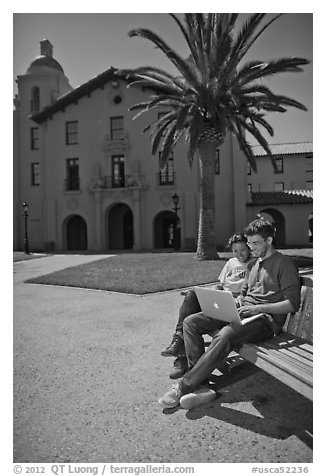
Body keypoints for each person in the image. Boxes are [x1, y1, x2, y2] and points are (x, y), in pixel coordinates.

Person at [159, 218, 301, 409]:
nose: (251, 247)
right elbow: (245, 292)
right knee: (191, 322)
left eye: (256, 243)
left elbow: (292, 304)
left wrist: (258, 308)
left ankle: (183, 386)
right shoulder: (253, 265)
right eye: (250, 243)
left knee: (225, 335)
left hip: (265, 320)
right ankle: (201, 386)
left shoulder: (284, 263)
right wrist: (239, 300)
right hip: (243, 312)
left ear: (269, 240)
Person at [161, 233, 254, 379]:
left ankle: (182, 357)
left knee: (191, 322)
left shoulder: (253, 264)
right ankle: (178, 340)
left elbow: (250, 291)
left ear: (249, 248)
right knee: (191, 295)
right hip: (222, 299)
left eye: (242, 250)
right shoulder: (230, 262)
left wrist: (239, 298)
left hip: (234, 305)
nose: (239, 254)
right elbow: (220, 284)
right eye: (235, 251)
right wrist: (213, 292)